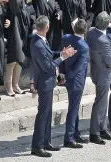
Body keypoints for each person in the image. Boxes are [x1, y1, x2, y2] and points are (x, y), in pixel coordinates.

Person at [30, 15, 76, 157]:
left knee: (48, 114)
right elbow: (49, 67)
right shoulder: (37, 43)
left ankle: (46, 142)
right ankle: (37, 146)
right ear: (47, 27)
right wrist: (63, 57)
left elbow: (49, 54)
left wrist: (61, 53)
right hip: (44, 83)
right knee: (43, 114)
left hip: (48, 82)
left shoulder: (40, 39)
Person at [85, 11, 111, 144]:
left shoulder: (92, 31)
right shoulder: (103, 41)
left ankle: (102, 128)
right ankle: (94, 132)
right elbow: (110, 60)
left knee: (103, 101)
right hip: (103, 73)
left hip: (96, 71)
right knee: (100, 103)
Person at [59, 19, 90, 148]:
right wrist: (67, 77)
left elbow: (62, 55)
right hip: (76, 80)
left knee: (74, 107)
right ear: (85, 30)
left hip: (68, 77)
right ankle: (69, 137)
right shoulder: (84, 46)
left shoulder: (65, 37)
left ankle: (75, 133)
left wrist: (62, 73)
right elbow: (78, 66)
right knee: (73, 108)